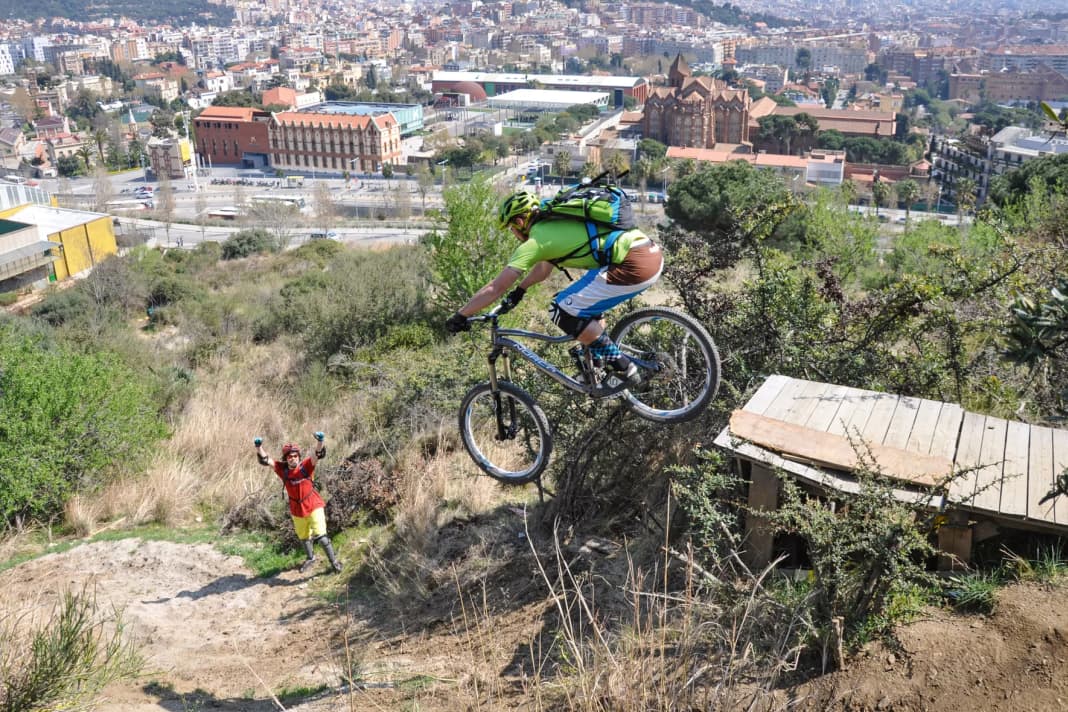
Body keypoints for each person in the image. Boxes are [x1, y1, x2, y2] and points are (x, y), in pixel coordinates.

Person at [444, 190, 663, 390]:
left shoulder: (536, 241)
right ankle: (596, 364)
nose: (513, 233)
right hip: (648, 253)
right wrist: (520, 290)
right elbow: (543, 269)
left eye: (511, 228)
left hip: (635, 264)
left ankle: (622, 366)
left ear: (520, 221)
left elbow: (496, 287)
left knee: (560, 310)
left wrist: (462, 314)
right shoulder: (554, 222)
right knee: (579, 300)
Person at [253, 433, 342, 573]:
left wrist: (320, 441)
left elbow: (317, 454)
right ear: (286, 458)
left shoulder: (306, 466)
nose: (293, 458)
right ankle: (310, 558)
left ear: (298, 456)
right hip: (297, 509)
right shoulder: (283, 470)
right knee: (304, 537)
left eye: (295, 456)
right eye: (289, 456)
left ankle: (334, 563)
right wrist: (259, 447)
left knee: (322, 537)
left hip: (313, 505)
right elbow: (266, 460)